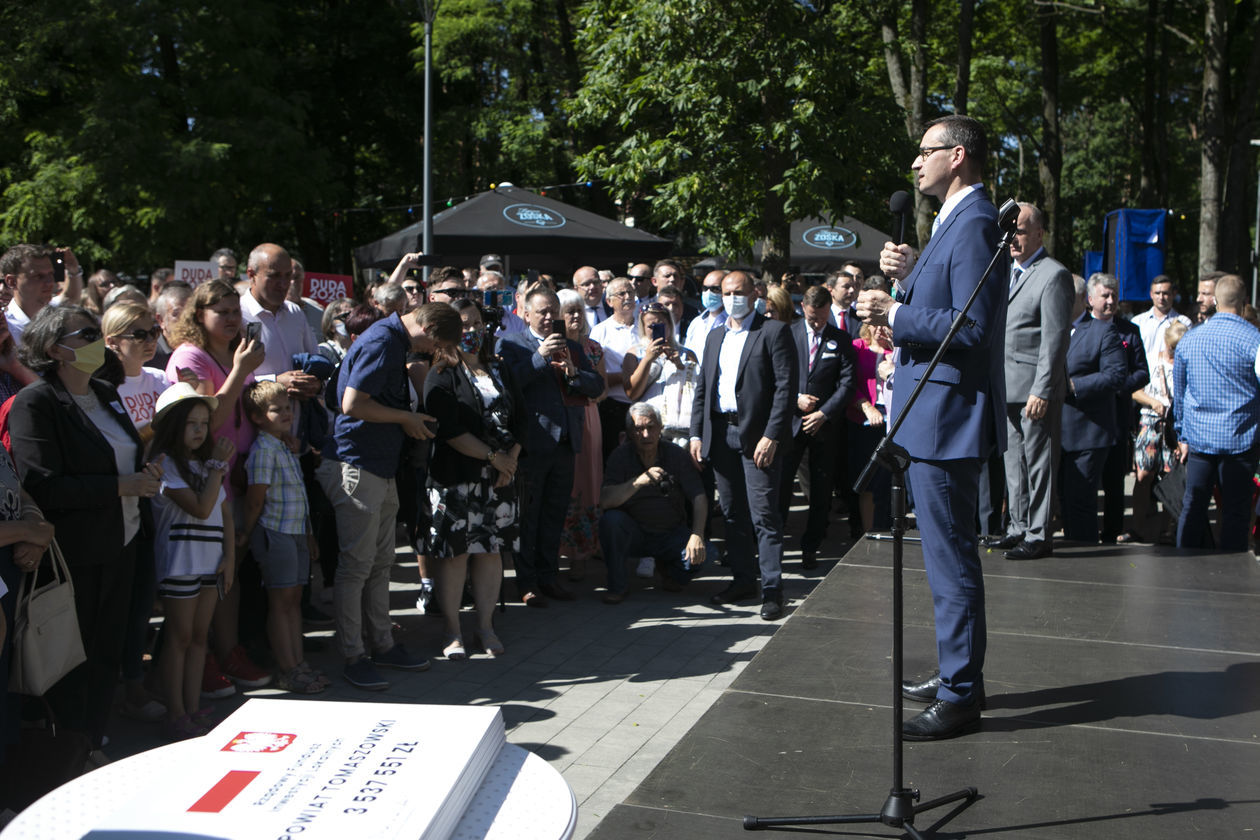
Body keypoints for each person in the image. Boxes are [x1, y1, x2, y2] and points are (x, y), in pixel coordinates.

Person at [864, 114, 1006, 740]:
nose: (915, 162)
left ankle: (961, 694)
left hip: (947, 421)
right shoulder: (951, 222)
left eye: (925, 151)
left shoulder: (975, 221)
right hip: (927, 417)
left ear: (958, 155)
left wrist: (895, 307)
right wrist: (909, 274)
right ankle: (955, 671)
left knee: (952, 563)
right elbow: (941, 306)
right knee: (943, 559)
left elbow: (970, 327)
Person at [9, 305, 162, 749]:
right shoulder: (36, 402)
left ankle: (96, 738)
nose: (99, 342)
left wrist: (142, 475)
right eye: (88, 334)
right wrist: (119, 485)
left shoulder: (105, 392)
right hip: (79, 551)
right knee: (76, 659)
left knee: (109, 650)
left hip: (127, 541)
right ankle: (73, 749)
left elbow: (126, 455)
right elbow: (43, 484)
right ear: (57, 349)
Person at [318, 301, 459, 689]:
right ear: (429, 332)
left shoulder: (393, 340)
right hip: (356, 464)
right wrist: (405, 418)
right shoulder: (384, 340)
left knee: (379, 563)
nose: (431, 354)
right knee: (356, 566)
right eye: (436, 347)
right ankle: (353, 654)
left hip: (378, 465)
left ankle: (381, 644)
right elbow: (352, 403)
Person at [164, 280, 271, 693]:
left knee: (230, 572)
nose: (231, 319)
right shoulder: (188, 356)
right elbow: (205, 414)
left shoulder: (234, 351)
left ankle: (229, 653)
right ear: (199, 316)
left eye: (235, 311)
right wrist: (242, 370)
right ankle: (201, 660)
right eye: (221, 312)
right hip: (203, 478)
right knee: (204, 577)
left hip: (237, 476)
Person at [689, 270, 797, 621]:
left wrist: (772, 435)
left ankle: (772, 589)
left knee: (764, 514)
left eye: (739, 292)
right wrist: (696, 433)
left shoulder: (773, 331)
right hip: (721, 435)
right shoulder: (715, 335)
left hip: (758, 437)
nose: (732, 298)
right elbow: (704, 388)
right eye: (726, 292)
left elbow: (785, 389)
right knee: (733, 513)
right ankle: (742, 580)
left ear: (755, 294)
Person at [423, 301, 522, 659]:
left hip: (498, 479)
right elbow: (448, 430)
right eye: (463, 324)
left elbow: (521, 418)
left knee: (491, 552)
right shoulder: (441, 374)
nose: (471, 330)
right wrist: (494, 457)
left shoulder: (499, 369)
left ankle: (485, 626)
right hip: (457, 478)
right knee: (455, 555)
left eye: (477, 322)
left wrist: (509, 462)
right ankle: (452, 631)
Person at [499, 287, 604, 607]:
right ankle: (526, 582)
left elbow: (596, 385)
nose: (548, 317)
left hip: (566, 441)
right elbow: (509, 385)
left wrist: (574, 373)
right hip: (531, 444)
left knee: (554, 515)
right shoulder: (513, 345)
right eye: (542, 311)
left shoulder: (572, 346)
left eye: (552, 311)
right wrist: (540, 356)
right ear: (525, 314)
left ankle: (549, 576)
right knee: (528, 517)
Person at [148, 384, 238, 738]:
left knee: (201, 637)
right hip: (180, 562)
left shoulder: (206, 463)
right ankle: (176, 711)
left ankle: (192, 705)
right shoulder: (165, 465)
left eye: (204, 423)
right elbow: (201, 509)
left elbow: (225, 514)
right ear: (173, 425)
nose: (200, 430)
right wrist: (217, 467)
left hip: (211, 561)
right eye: (191, 423)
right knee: (179, 637)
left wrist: (230, 559)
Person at [985, 203, 1073, 560]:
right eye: (1009, 231)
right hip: (1006, 385)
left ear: (1039, 233)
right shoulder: (1004, 271)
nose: (1013, 238)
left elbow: (1055, 340)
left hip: (1035, 390)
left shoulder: (1053, 275)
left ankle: (1038, 534)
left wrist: (1044, 388)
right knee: (1014, 465)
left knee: (1039, 464)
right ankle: (1018, 526)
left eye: (1020, 230)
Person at [239, 381, 326, 693]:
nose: (287, 413)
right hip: (276, 532)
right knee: (280, 602)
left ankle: (298, 662)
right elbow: (255, 499)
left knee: (293, 602)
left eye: (288, 408)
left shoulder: (285, 446)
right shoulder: (263, 451)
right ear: (258, 417)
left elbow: (299, 495)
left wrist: (309, 534)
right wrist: (246, 533)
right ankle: (288, 668)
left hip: (296, 532)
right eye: (278, 409)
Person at [1172, 274, 1260, 550]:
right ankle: (1230, 571)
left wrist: (1181, 433)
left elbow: (1180, 391)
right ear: (1245, 302)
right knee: (1236, 511)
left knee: (1193, 505)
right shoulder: (1254, 339)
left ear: (1216, 301)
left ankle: (1183, 559)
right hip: (1240, 440)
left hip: (1200, 439)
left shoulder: (1190, 339)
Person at [778, 285, 855, 568]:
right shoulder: (788, 334)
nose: (817, 322)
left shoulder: (840, 339)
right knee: (783, 486)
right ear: (803, 310)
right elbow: (778, 375)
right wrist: (795, 399)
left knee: (822, 489)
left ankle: (812, 544)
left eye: (822, 317)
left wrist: (824, 412)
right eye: (812, 317)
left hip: (824, 426)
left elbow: (847, 383)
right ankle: (777, 541)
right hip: (793, 423)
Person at [600, 403, 706, 604]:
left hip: (671, 532)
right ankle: (617, 586)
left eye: (651, 427)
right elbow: (605, 500)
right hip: (635, 533)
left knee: (705, 554)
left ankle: (669, 573)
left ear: (660, 428)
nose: (646, 434)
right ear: (630, 433)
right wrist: (639, 481)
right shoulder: (620, 456)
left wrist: (697, 534)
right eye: (639, 429)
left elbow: (699, 496)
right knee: (611, 521)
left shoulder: (675, 454)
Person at [1058, 274, 1127, 543]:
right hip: (1056, 432)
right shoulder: (1053, 327)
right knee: (1064, 500)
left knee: (1080, 500)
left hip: (1087, 432)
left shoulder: (1102, 331)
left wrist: (1074, 386)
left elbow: (1115, 376)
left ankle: (1086, 558)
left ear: (1082, 300)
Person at [1084, 273, 1149, 544]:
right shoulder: (1080, 329)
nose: (1111, 301)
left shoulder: (1129, 331)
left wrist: (1117, 384)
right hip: (1085, 418)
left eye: (1114, 296)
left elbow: (1142, 372)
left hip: (1117, 417)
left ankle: (1111, 531)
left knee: (1113, 481)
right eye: (1105, 296)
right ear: (1090, 299)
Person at [557, 290, 606, 581]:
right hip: (560, 417)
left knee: (588, 481)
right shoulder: (553, 346)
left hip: (588, 416)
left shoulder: (593, 348)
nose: (575, 315)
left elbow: (600, 389)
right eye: (569, 311)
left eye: (579, 310)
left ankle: (582, 555)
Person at [1130, 321, 1187, 542]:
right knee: (1143, 475)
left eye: (1178, 347)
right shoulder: (1152, 360)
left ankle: (1168, 528)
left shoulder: (1185, 363)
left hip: (1173, 427)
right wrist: (1153, 402)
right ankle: (1138, 526)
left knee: (1171, 477)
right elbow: (1135, 392)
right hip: (1150, 422)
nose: (1173, 351)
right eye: (1171, 346)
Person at [624, 302, 698, 446]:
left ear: (670, 324)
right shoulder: (634, 354)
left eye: (661, 324)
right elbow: (632, 393)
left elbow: (697, 388)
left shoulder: (686, 354)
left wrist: (679, 365)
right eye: (651, 326)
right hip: (647, 426)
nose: (656, 329)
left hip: (679, 428)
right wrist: (647, 359)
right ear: (643, 328)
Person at [847, 322, 895, 533]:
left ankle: (887, 528)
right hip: (864, 421)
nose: (879, 329)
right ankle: (868, 533)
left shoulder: (896, 351)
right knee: (867, 480)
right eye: (874, 325)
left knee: (888, 481)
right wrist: (866, 407)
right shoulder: (857, 347)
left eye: (883, 325)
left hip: (891, 422)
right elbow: (848, 383)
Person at [104, 302, 170, 436]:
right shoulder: (105, 388)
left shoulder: (160, 378)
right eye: (140, 335)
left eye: (154, 332)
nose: (151, 340)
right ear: (112, 342)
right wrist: (156, 423)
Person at [590, 277, 639, 459]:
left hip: (643, 404)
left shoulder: (646, 326)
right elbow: (595, 375)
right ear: (609, 301)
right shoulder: (600, 332)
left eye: (631, 293)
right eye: (622, 293)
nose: (628, 297)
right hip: (613, 408)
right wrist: (629, 377)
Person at [3, 245, 80, 344]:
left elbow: (70, 297)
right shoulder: (5, 327)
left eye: (51, 274)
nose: (50, 282)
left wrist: (74, 271)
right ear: (12, 281)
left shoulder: (53, 313)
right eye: (38, 276)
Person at [1131, 275, 1191, 374]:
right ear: (1151, 294)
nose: (1161, 297)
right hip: (1143, 377)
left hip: (1172, 377)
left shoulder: (1184, 323)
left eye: (1165, 293)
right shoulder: (1137, 322)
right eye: (1157, 293)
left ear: (1174, 294)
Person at [151, 281, 192, 372]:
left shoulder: (202, 350)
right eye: (176, 314)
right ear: (161, 319)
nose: (185, 319)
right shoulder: (149, 353)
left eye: (189, 313)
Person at [825, 267, 860, 333]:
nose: (852, 290)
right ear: (831, 290)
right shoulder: (823, 317)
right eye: (846, 287)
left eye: (853, 286)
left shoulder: (860, 319)